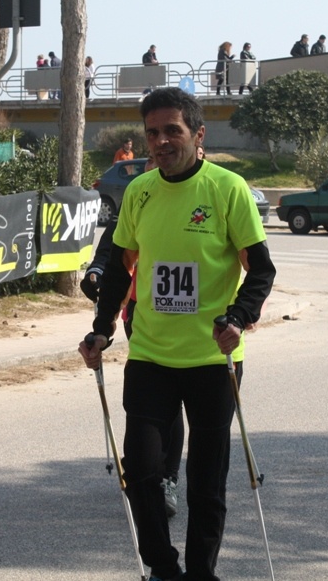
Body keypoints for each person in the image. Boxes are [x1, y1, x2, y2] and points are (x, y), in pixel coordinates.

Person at [78, 87, 276, 581]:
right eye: (152, 133)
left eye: (172, 131)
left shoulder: (228, 188)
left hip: (212, 359)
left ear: (198, 134)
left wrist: (239, 316)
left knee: (206, 481)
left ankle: (201, 573)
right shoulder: (140, 191)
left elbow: (261, 269)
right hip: (150, 356)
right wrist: (102, 329)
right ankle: (164, 569)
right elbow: (120, 270)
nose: (161, 141)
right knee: (142, 471)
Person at [82, 152, 183, 518]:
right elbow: (110, 252)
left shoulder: (202, 196)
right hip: (139, 312)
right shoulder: (138, 198)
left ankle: (167, 477)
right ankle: (146, 469)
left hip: (191, 320)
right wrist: (95, 273)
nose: (155, 173)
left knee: (173, 402)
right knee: (151, 398)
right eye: (150, 167)